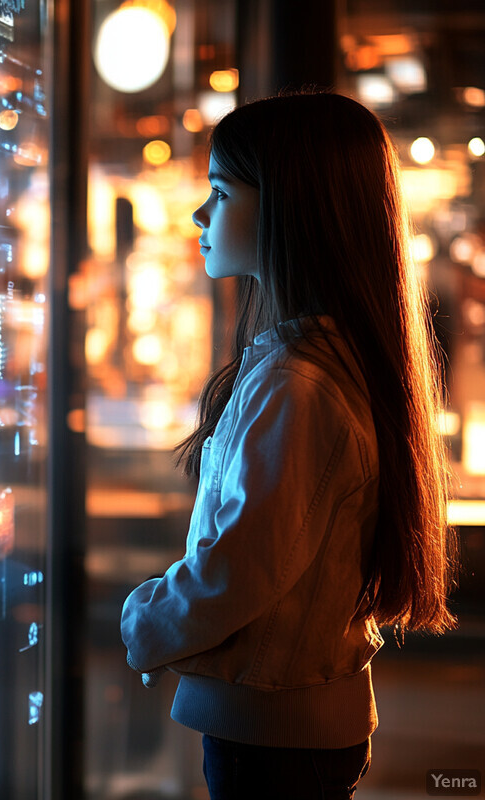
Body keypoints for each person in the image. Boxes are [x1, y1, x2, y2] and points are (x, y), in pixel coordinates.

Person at [120, 91, 459, 800]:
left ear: (288, 208)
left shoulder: (297, 383)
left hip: (271, 732)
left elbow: (242, 566)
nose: (199, 214)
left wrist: (145, 619)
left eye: (219, 191)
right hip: (300, 721)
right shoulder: (323, 363)